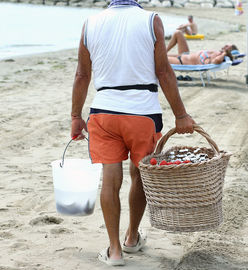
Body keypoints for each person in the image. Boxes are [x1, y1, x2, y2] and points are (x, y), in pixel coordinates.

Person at [70, 0, 195, 266]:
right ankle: (131, 238)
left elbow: (82, 74)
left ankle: (114, 251)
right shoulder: (152, 20)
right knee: (139, 176)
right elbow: (163, 71)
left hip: (103, 112)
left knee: (109, 180)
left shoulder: (89, 24)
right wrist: (181, 114)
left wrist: (75, 117)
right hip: (142, 112)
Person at [166, 31, 237, 65]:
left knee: (159, 57)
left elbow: (215, 62)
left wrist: (224, 53)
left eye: (227, 47)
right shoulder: (217, 53)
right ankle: (165, 51)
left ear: (228, 51)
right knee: (178, 33)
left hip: (182, 62)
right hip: (184, 55)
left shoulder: (218, 57)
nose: (225, 46)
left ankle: (163, 53)